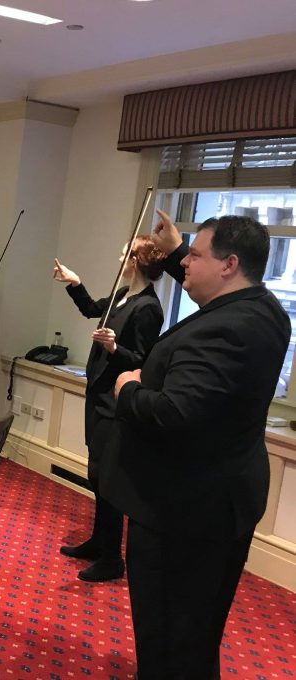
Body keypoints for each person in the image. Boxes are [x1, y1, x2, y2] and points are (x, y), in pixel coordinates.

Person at [111, 211, 289, 679]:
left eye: (195, 255)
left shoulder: (229, 330)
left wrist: (128, 388)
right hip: (219, 502)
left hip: (185, 514)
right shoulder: (264, 308)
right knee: (195, 631)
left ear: (229, 264)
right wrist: (175, 251)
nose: (184, 262)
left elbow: (175, 414)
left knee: (171, 632)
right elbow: (213, 300)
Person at [51, 236, 165, 582]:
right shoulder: (122, 294)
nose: (119, 258)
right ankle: (100, 541)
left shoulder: (148, 307)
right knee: (97, 474)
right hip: (97, 394)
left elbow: (143, 362)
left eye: (126, 254)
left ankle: (113, 558)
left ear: (139, 260)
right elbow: (90, 309)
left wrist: (115, 347)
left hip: (115, 401)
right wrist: (75, 283)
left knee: (110, 479)